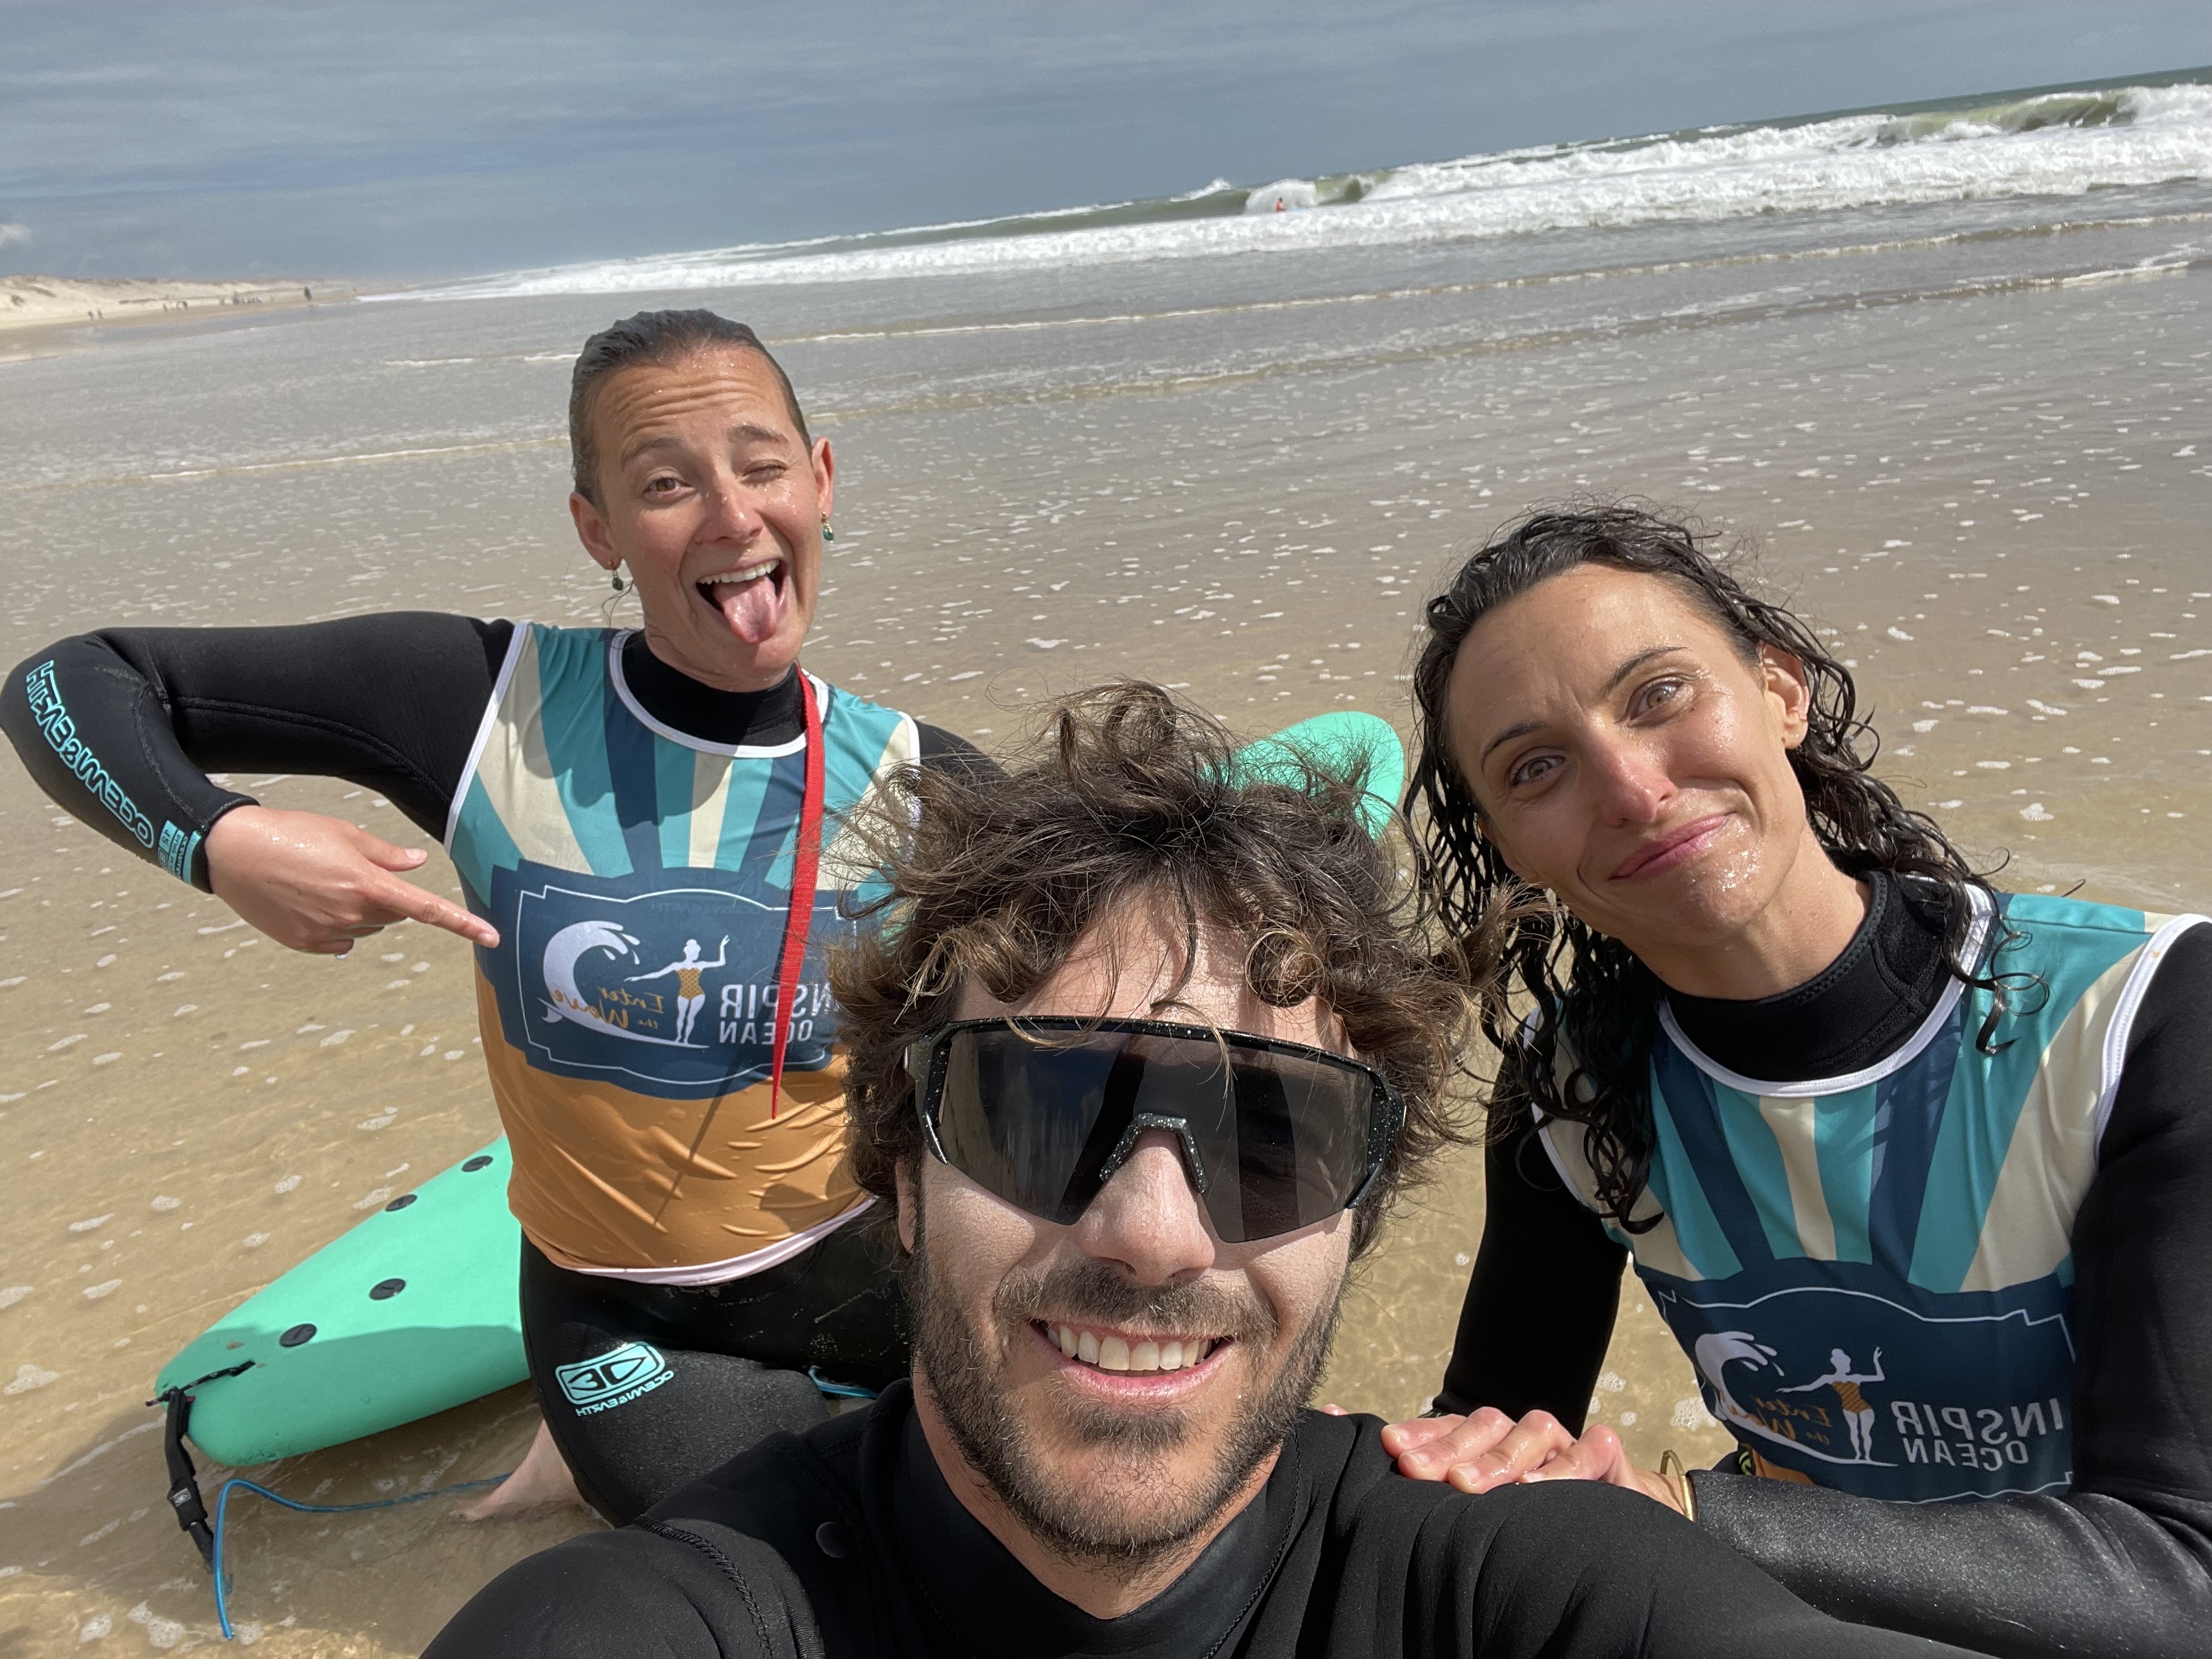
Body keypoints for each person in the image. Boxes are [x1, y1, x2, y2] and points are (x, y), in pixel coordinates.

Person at [426, 682, 1970, 1659]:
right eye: (1039, 1114)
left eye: (1273, 1139)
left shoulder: (1510, 1578)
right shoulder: (694, 1613)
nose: (1154, 1234)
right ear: (897, 1175)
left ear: (1359, 1216)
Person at [0, 309, 996, 1526]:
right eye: (666, 483)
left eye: (762, 465)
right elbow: (65, 686)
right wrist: (218, 838)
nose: (733, 515)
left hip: (874, 1268)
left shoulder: (924, 779)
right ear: (599, 530)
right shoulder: (487, 707)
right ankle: (583, 1435)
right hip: (629, 1318)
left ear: (821, 481)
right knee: (786, 1569)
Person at [1383, 507, 2212, 1657]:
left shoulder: (2139, 1015)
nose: (1631, 788)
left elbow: (2181, 1575)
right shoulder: (1570, 1086)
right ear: (1510, 847)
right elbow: (1494, 1435)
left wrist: (1680, 1511)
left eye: (1659, 695)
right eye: (1537, 768)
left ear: (1781, 690)